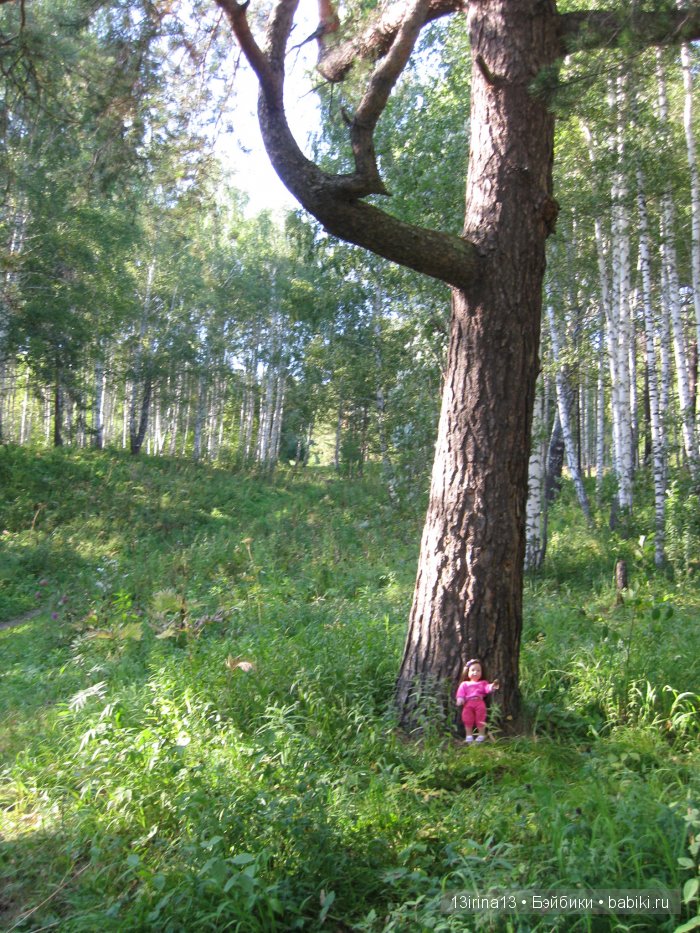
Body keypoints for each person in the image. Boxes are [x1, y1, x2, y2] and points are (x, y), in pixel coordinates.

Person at [455, 658, 500, 743]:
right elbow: (460, 693)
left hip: (479, 703)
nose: (475, 672)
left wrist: (492, 686)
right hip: (468, 703)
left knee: (480, 718)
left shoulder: (483, 683)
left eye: (478, 670)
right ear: (467, 672)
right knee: (467, 718)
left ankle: (481, 735)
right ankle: (469, 735)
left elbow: (487, 688)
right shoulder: (464, 684)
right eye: (473, 670)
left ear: (481, 672)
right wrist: (460, 699)